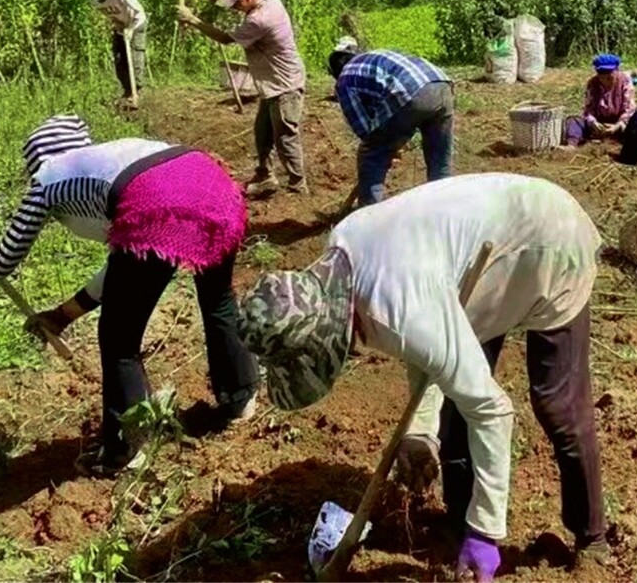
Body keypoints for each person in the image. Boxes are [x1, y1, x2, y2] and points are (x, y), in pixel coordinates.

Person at [238, 174, 610, 581]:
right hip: (474, 263)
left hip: (548, 240)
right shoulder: (343, 260)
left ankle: (590, 534)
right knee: (456, 396)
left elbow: (491, 410)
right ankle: (458, 516)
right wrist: (420, 431)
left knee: (557, 405)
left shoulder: (395, 305)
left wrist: (487, 530)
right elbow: (425, 341)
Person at [0, 116, 257, 472]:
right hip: (213, 183)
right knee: (217, 299)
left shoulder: (45, 180)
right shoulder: (112, 158)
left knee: (120, 339)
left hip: (159, 202)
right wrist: (63, 315)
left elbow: (0, 263)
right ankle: (240, 399)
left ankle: (124, 450)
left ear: (35, 159)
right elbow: (125, 265)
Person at [176, 0, 308, 196]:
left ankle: (298, 187)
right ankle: (265, 176)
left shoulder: (261, 19)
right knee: (262, 132)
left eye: (236, 3)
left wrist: (193, 20)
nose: (233, 7)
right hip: (271, 83)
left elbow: (226, 39)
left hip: (285, 85)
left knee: (285, 138)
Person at [327, 47, 455, 206]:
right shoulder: (372, 58)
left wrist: (386, 147)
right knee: (440, 160)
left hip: (410, 91)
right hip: (441, 83)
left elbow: (363, 128)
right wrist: (393, 142)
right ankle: (443, 207)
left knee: (371, 154)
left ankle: (370, 211)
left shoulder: (344, 80)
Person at [87, 0, 147, 109]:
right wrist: (118, 25)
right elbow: (108, 14)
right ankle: (127, 90)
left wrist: (131, 29)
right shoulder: (94, 1)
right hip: (120, 26)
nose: (102, 0)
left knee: (135, 56)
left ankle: (137, 91)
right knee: (119, 59)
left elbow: (138, 13)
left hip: (136, 23)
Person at [562, 54, 635, 146]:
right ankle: (571, 144)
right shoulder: (592, 83)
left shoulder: (625, 81)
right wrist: (593, 122)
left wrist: (618, 125)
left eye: (609, 75)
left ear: (616, 71)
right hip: (599, 123)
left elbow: (629, 108)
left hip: (620, 122)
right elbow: (589, 109)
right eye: (601, 75)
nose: (605, 79)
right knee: (574, 121)